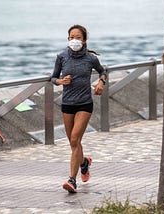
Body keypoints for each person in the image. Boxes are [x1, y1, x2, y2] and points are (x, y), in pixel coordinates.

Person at [51, 24, 107, 193]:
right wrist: (60, 81)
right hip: (67, 104)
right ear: (68, 39)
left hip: (84, 103)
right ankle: (84, 162)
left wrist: (101, 82)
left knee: (75, 139)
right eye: (71, 37)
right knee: (73, 143)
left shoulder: (91, 59)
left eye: (78, 37)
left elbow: (103, 71)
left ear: (84, 40)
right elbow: (53, 77)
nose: (74, 40)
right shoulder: (62, 57)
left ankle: (72, 180)